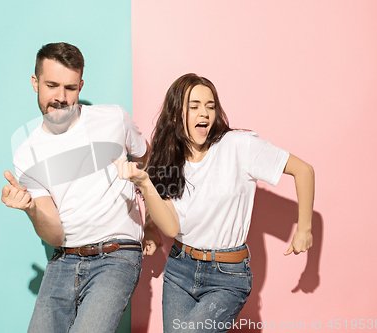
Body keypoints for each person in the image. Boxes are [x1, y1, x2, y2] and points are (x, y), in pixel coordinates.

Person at [114, 73, 314, 333]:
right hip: (179, 270)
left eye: (210, 106)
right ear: (176, 115)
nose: (204, 114)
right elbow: (172, 229)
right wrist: (144, 182)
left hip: (227, 276)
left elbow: (304, 170)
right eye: (194, 106)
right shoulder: (170, 161)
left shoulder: (238, 146)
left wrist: (304, 229)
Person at [1, 42, 161, 333]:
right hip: (63, 260)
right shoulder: (27, 153)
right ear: (35, 83)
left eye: (70, 88)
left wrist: (150, 221)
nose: (60, 97)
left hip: (117, 255)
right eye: (51, 85)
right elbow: (55, 234)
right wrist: (30, 209)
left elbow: (146, 162)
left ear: (81, 85)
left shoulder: (114, 118)